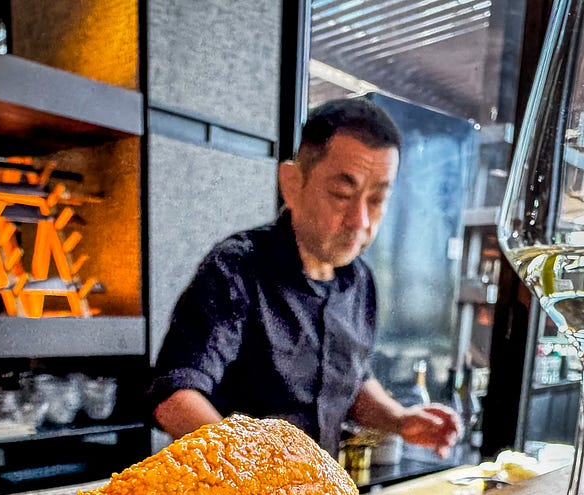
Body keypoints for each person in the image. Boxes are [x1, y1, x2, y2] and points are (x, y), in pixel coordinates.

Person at [146, 97, 461, 460]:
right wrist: (251, 469)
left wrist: (400, 420)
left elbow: (351, 381)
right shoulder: (237, 267)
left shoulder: (359, 281)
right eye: (343, 194)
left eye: (376, 199)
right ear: (292, 184)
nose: (360, 221)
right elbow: (173, 396)